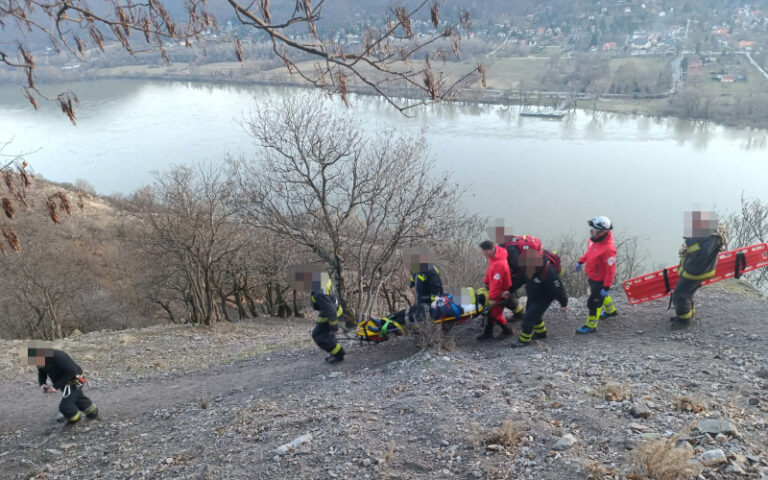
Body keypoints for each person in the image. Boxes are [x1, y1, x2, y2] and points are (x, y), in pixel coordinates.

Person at [670, 211, 728, 326]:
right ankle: (687, 314)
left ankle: (683, 320)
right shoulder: (709, 237)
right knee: (687, 293)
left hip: (696, 272)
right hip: (696, 270)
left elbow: (700, 255)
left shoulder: (711, 239)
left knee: (679, 295)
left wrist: (691, 242)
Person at [510, 250, 568, 348]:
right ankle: (541, 332)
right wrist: (510, 290)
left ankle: (524, 340)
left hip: (545, 297)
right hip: (533, 293)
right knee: (532, 312)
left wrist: (564, 303)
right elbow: (519, 280)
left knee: (529, 317)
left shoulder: (550, 272)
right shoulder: (526, 268)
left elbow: (559, 289)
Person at [30, 347, 98, 425]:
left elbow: (72, 371)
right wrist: (42, 383)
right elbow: (42, 371)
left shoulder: (58, 356)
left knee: (65, 407)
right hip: (63, 382)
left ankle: (74, 421)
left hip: (75, 381)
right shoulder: (39, 358)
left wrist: (55, 387)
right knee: (76, 398)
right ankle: (92, 412)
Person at [293, 266, 345, 364]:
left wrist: (334, 327)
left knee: (318, 336)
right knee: (325, 334)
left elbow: (331, 310)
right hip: (329, 312)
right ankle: (335, 351)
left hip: (330, 314)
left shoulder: (319, 292)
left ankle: (339, 354)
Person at [575, 216, 618, 334]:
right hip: (593, 276)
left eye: (594, 230)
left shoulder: (608, 250)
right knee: (600, 296)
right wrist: (581, 261)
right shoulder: (595, 241)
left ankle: (591, 325)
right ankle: (610, 311)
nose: (591, 232)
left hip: (600, 280)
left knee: (593, 303)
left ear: (602, 232)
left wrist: (606, 287)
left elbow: (610, 270)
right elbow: (589, 253)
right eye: (592, 230)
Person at [499, 234, 542, 321]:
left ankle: (529, 316)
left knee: (529, 288)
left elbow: (520, 271)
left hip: (529, 267)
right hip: (527, 263)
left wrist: (510, 288)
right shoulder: (508, 246)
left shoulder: (510, 251)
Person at [478, 240, 514, 340]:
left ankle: (507, 331)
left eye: (483, 251)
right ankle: (488, 333)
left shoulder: (499, 264)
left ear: (488, 251)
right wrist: (486, 281)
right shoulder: (493, 258)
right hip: (498, 290)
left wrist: (492, 298)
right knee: (492, 313)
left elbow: (496, 284)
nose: (482, 253)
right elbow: (490, 272)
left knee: (495, 314)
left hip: (502, 293)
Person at [408, 247, 444, 322]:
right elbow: (414, 276)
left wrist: (434, 301)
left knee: (418, 318)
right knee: (411, 314)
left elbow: (436, 287)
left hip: (428, 302)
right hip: (420, 300)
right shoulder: (416, 269)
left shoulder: (431, 270)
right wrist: (412, 284)